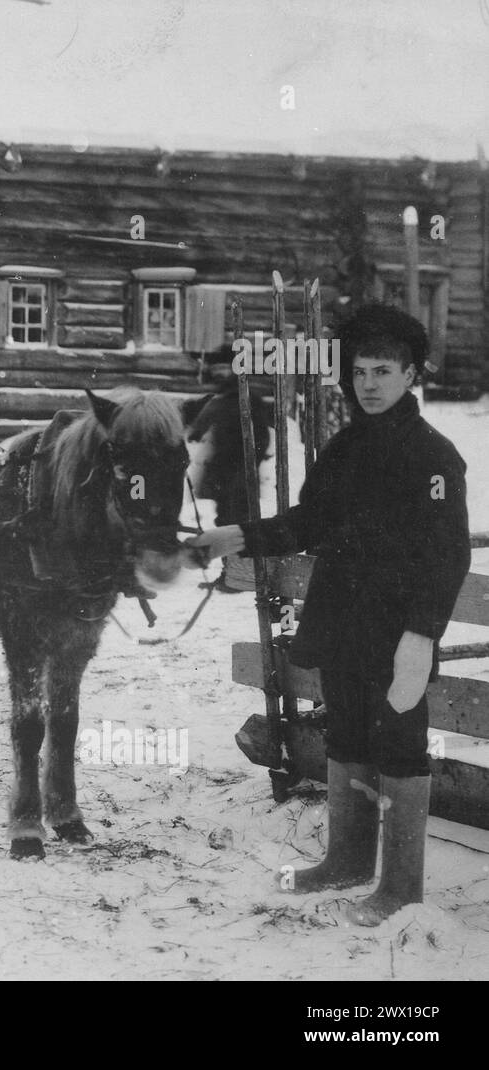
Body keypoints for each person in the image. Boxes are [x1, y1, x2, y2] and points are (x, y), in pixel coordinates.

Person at [189, 305, 470, 926]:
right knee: (346, 732)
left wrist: (421, 636)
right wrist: (237, 535)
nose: (368, 383)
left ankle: (400, 888)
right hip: (343, 618)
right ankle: (345, 861)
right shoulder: (345, 449)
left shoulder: (434, 457)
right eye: (360, 371)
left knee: (399, 740)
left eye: (384, 371)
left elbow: (446, 557)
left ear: (411, 374)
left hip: (398, 631)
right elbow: (306, 522)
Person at [186, 350, 271, 592]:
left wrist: (248, 465)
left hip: (240, 474)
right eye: (215, 370)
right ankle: (231, 575)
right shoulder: (222, 399)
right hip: (223, 473)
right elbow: (202, 423)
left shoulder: (247, 398)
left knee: (241, 525)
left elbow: (262, 437)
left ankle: (242, 577)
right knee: (225, 521)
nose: (219, 374)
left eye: (223, 368)